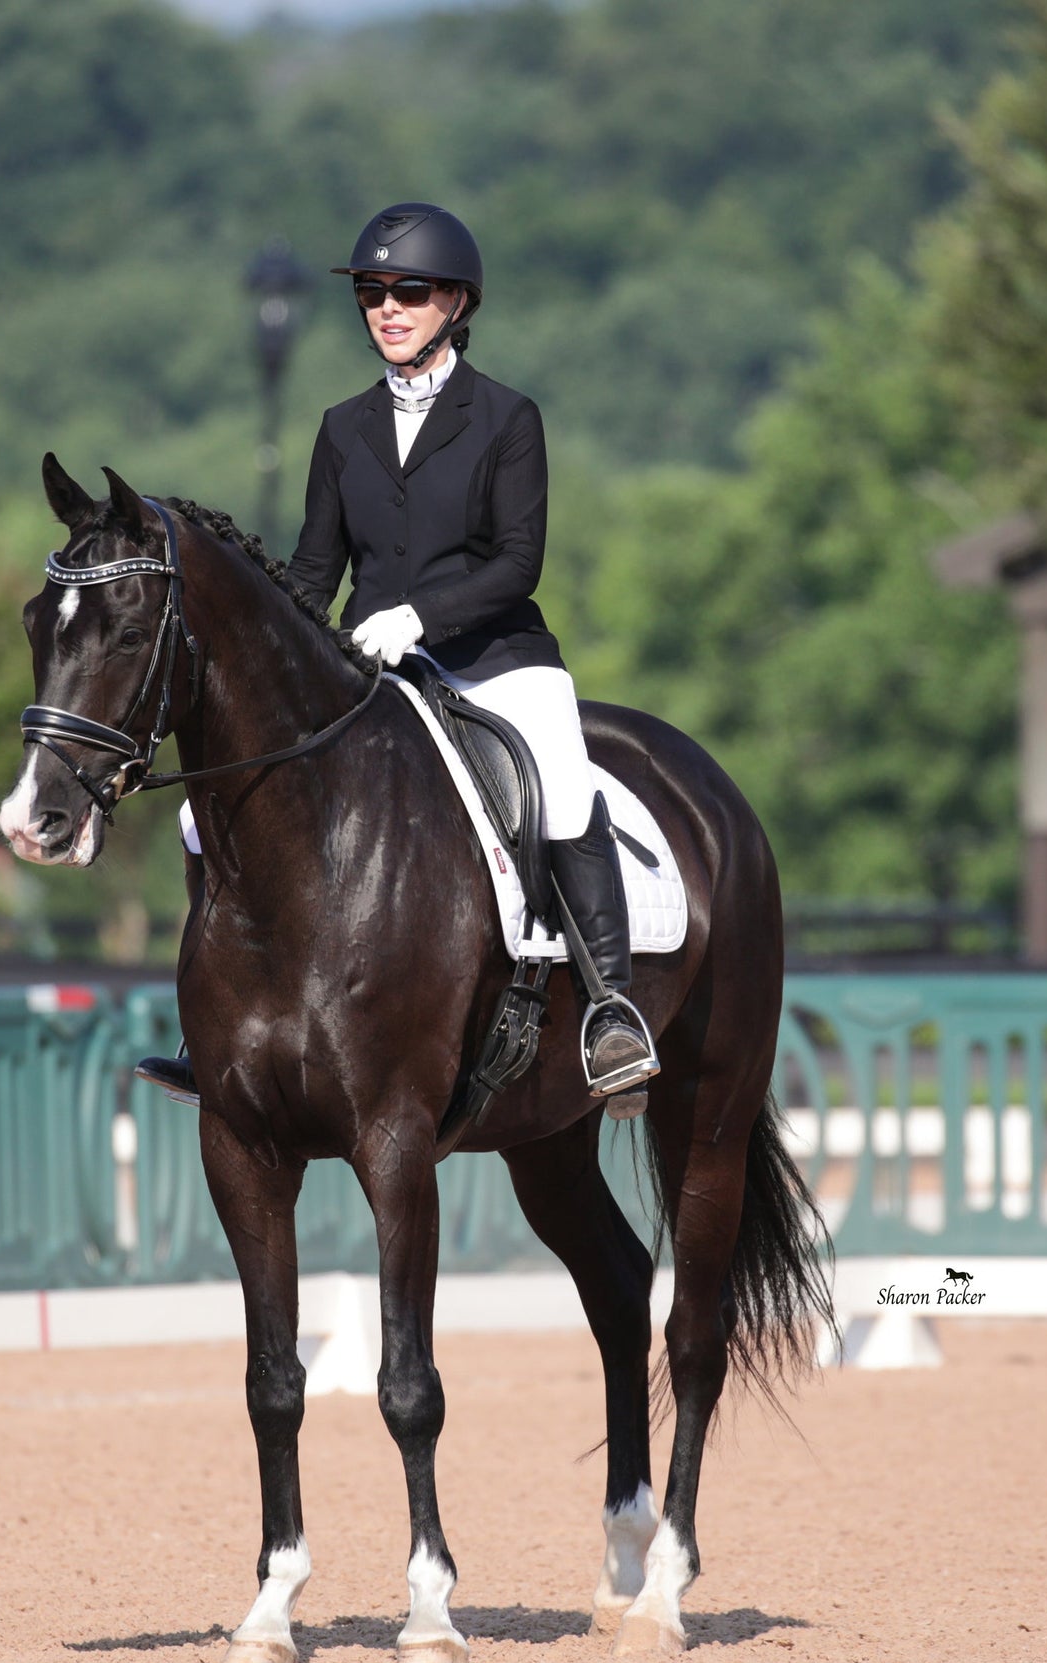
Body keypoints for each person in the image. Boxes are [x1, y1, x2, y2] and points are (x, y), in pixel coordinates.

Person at [137, 202, 658, 1113]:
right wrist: (281, 653)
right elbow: (313, 570)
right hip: (371, 669)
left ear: (456, 302)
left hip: (494, 657)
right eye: (373, 293)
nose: (387, 308)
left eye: (408, 292)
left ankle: (610, 1008)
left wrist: (419, 616)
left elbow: (517, 563)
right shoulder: (343, 428)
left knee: (561, 781)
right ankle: (210, 1019)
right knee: (199, 816)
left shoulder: (506, 418)